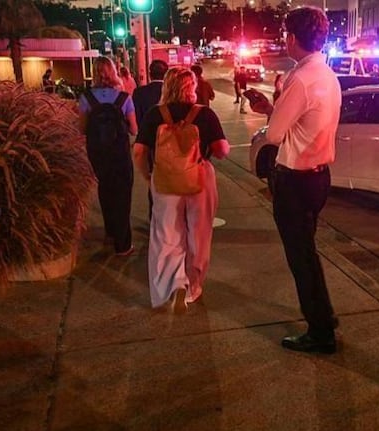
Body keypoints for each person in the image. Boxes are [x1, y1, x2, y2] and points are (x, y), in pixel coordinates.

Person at [249, 6, 341, 354]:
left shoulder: (299, 77)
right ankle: (324, 318)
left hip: (296, 181)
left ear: (292, 37)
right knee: (307, 252)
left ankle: (320, 330)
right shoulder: (326, 74)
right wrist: (274, 109)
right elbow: (302, 123)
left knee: (300, 257)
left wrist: (273, 114)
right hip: (319, 178)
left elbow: (273, 135)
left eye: (285, 33)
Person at [132, 66, 230, 311]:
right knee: (198, 234)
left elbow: (139, 151)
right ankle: (193, 286)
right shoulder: (205, 115)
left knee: (166, 234)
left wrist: (149, 175)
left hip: (165, 180)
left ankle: (172, 285)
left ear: (167, 86)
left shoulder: (155, 115)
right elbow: (222, 151)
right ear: (192, 87)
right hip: (199, 179)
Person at [78, 56, 138, 256]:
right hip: (119, 153)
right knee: (123, 194)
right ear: (113, 71)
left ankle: (110, 233)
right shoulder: (123, 98)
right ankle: (123, 244)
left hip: (98, 154)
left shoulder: (87, 97)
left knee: (105, 189)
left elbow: (83, 128)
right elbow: (134, 130)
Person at [132, 60, 169, 219]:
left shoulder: (139, 93)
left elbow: (136, 120)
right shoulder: (170, 92)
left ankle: (154, 215)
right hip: (170, 142)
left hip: (149, 142)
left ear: (149, 72)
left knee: (152, 179)